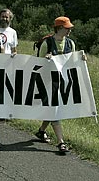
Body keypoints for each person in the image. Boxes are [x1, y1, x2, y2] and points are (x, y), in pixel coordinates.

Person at [34, 16, 79, 154]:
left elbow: (72, 61)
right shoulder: (47, 43)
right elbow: (37, 64)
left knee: (53, 108)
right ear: (59, 28)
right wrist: (46, 60)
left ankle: (41, 131)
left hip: (63, 82)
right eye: (67, 28)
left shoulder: (70, 44)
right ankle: (61, 142)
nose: (69, 30)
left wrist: (81, 58)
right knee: (55, 109)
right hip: (48, 82)